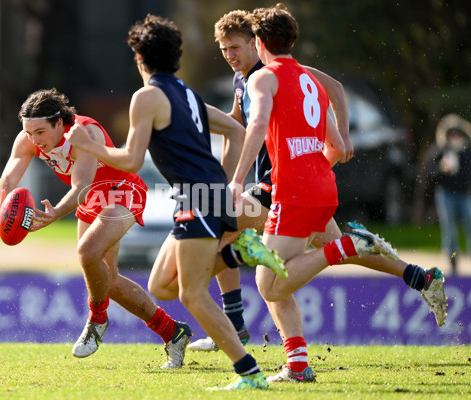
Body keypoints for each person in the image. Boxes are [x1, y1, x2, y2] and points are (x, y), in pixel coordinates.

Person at [187, 10, 448, 381]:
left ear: (256, 42)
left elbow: (307, 105)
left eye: (235, 47)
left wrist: (246, 177)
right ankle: (419, 277)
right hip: (307, 186)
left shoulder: (274, 74)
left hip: (280, 188)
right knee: (318, 253)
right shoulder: (253, 80)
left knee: (226, 235)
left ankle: (233, 327)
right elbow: (245, 122)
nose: (230, 54)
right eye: (224, 49)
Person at [68, 14, 278, 390]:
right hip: (208, 194)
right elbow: (236, 128)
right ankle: (239, 252)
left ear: (138, 58)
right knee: (163, 286)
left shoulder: (146, 96)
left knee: (191, 293)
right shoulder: (186, 92)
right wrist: (228, 181)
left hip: (198, 198)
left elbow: (132, 161)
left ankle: (249, 374)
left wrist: (89, 146)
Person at [0, 88, 192, 369]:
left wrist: (56, 213)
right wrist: (0, 204)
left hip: (122, 191)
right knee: (107, 281)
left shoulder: (85, 133)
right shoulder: (28, 139)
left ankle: (97, 319)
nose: (34, 140)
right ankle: (173, 332)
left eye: (39, 132)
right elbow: (7, 178)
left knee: (87, 252)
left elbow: (81, 186)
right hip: (92, 199)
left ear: (59, 123)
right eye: (28, 133)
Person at [423, 114, 471, 275]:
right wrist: (441, 169)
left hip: (465, 194)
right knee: (449, 228)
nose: (454, 137)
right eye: (451, 133)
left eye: (457, 133)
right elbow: (427, 173)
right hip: (446, 194)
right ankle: (453, 259)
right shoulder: (439, 150)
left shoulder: (467, 151)